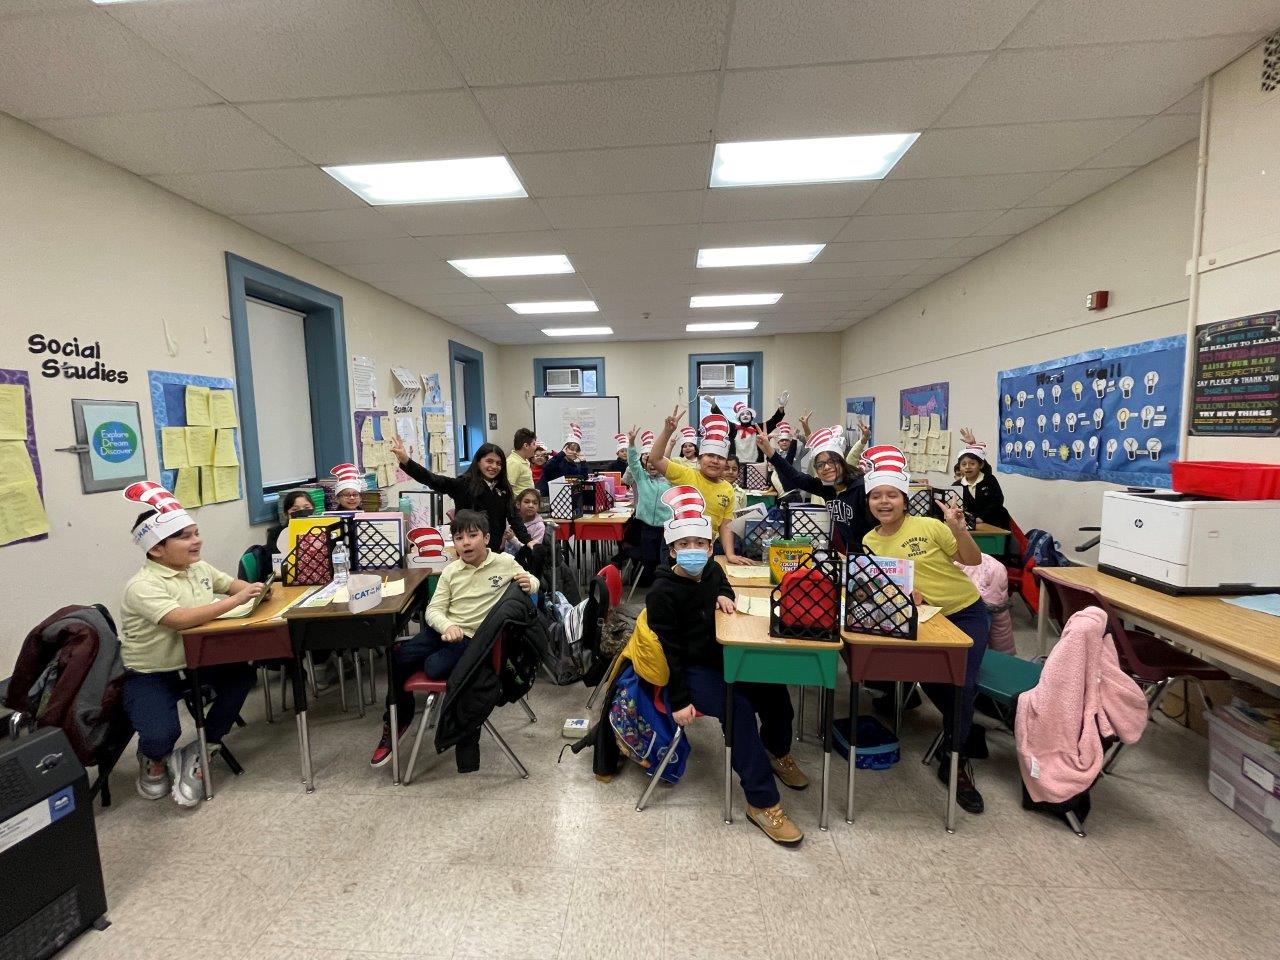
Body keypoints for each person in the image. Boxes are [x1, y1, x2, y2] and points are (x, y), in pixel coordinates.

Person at [648, 485, 807, 845]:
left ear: (710, 548)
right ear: (672, 549)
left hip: (725, 656)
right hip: (692, 670)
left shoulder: (711, 571)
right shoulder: (662, 592)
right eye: (684, 544)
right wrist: (679, 701)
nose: (693, 550)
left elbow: (723, 583)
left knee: (774, 690)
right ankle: (762, 803)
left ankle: (777, 752)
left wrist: (724, 594)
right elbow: (671, 652)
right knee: (739, 710)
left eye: (700, 544)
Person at [860, 445, 991, 814]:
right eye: (876, 496)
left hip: (965, 612)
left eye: (891, 495)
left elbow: (972, 560)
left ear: (904, 500)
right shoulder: (870, 541)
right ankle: (963, 729)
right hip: (922, 618)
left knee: (962, 684)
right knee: (934, 676)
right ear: (869, 502)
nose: (884, 502)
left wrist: (959, 530)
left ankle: (955, 761)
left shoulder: (930, 526)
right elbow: (885, 585)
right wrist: (903, 593)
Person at [119, 482, 262, 807]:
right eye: (184, 537)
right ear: (157, 549)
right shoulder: (142, 586)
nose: (196, 541)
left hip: (199, 661)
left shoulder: (198, 568)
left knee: (242, 677)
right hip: (152, 672)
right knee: (161, 735)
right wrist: (236, 600)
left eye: (196, 533)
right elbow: (180, 619)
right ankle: (152, 756)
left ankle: (203, 746)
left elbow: (232, 584)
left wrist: (256, 591)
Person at [370, 510, 537, 772]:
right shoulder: (451, 571)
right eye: (459, 538)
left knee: (433, 666)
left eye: (472, 536)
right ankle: (399, 719)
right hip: (445, 631)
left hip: (473, 640)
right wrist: (447, 626)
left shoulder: (504, 562)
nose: (466, 543)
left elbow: (532, 581)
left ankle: (420, 682)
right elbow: (434, 610)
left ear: (486, 538)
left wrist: (530, 582)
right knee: (398, 657)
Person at [389, 436, 530, 554]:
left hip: (494, 551)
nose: (494, 466)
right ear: (478, 462)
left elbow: (514, 517)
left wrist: (528, 541)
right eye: (489, 461)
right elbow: (433, 479)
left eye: (499, 463)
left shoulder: (503, 488)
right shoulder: (463, 484)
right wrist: (406, 461)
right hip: (468, 551)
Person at [649, 408, 752, 565]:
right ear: (699, 459)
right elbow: (655, 459)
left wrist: (730, 554)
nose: (715, 461)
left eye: (720, 457)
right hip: (677, 546)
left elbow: (725, 525)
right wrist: (667, 431)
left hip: (704, 547)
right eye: (710, 455)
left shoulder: (727, 489)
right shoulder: (686, 474)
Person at [758, 427, 874, 554]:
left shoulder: (861, 488)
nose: (826, 467)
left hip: (870, 555)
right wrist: (769, 451)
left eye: (832, 461)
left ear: (842, 462)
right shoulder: (826, 489)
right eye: (820, 465)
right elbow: (795, 476)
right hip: (847, 555)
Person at [615, 427, 671, 587]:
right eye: (649, 462)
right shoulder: (641, 478)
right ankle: (649, 582)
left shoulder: (669, 479)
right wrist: (632, 443)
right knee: (649, 558)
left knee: (664, 559)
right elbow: (633, 462)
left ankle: (663, 583)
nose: (652, 465)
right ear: (644, 464)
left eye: (656, 462)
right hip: (647, 526)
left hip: (666, 527)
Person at [952, 428, 1012, 528]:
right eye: (964, 464)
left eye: (972, 463)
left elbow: (997, 502)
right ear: (960, 467)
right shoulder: (956, 486)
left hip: (996, 524)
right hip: (971, 526)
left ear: (981, 465)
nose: (967, 467)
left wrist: (982, 518)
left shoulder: (989, 479)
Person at [710, 392, 789, 464]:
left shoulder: (758, 428)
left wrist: (781, 407)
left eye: (747, 414)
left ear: (751, 417)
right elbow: (723, 420)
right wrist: (714, 406)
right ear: (739, 418)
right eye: (742, 414)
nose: (745, 416)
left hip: (756, 465)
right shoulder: (733, 428)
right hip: (736, 465)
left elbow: (774, 421)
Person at [537, 422, 590, 494]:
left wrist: (583, 462)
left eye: (577, 450)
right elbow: (547, 467)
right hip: (548, 495)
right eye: (571, 449)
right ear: (565, 449)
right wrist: (561, 454)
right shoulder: (558, 461)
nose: (574, 452)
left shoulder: (573, 465)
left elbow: (583, 479)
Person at [266, 489, 314, 555]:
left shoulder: (321, 530)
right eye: (295, 509)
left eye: (307, 508)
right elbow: (274, 558)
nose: (302, 512)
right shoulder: (275, 533)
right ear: (286, 515)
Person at [504, 487, 545, 554]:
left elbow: (533, 551)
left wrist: (513, 539)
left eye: (535, 503)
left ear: (538, 507)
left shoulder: (539, 526)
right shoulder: (509, 519)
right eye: (526, 502)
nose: (531, 505)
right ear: (518, 504)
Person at [507, 428, 537, 497]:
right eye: (534, 444)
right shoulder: (513, 462)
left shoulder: (525, 460)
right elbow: (508, 488)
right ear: (526, 446)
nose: (536, 447)